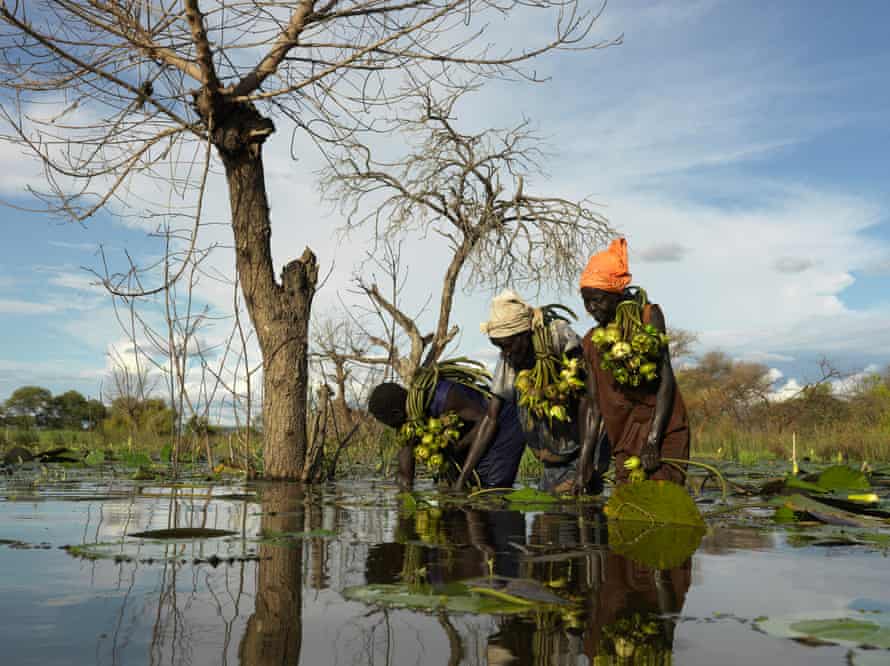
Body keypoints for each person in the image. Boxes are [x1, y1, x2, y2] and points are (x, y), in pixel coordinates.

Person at [456, 289, 610, 494]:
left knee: (575, 515)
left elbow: (589, 402)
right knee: (545, 520)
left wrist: (585, 463)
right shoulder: (510, 359)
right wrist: (463, 477)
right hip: (552, 463)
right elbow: (490, 418)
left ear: (524, 335)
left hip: (584, 453)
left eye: (508, 345)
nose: (506, 353)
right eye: (499, 347)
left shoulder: (557, 336)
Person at [575, 238, 689, 486]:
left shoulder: (649, 316)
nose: (591, 308)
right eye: (586, 301)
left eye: (598, 299)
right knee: (628, 504)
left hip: (663, 430)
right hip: (624, 438)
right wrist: (585, 459)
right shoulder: (591, 342)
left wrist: (653, 440)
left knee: (665, 500)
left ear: (616, 295)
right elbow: (594, 405)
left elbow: (665, 379)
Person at [367, 375, 525, 491]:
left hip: (504, 420)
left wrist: (459, 459)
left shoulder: (443, 397)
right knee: (457, 489)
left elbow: (487, 420)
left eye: (387, 423)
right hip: (475, 431)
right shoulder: (409, 421)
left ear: (396, 414)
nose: (393, 429)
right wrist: (403, 492)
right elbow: (405, 473)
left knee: (491, 487)